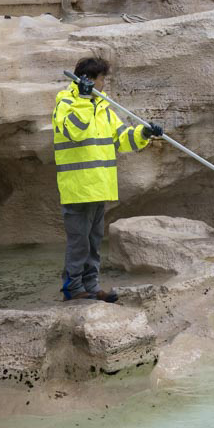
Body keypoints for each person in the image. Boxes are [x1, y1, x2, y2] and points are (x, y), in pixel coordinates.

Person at [52, 57, 163, 302]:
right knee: (79, 243)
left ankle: (91, 286)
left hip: (100, 186)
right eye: (102, 79)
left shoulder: (103, 108)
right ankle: (73, 288)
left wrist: (144, 133)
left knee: (93, 242)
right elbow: (75, 131)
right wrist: (82, 100)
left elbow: (123, 139)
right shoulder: (66, 103)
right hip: (79, 187)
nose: (104, 84)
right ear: (90, 79)